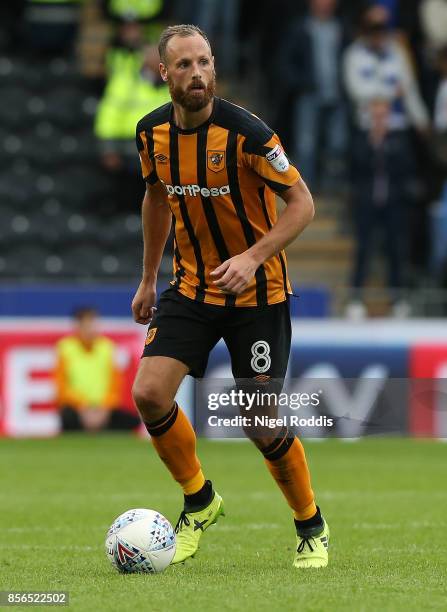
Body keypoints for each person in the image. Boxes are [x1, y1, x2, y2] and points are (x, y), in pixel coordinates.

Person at [131, 24, 329, 569]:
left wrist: (251, 257)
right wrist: (149, 278)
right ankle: (200, 499)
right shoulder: (151, 134)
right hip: (192, 287)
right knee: (149, 394)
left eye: (204, 62)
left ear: (213, 66)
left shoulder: (247, 133)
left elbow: (303, 205)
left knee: (259, 420)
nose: (197, 74)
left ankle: (311, 525)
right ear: (165, 73)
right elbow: (155, 199)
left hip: (257, 293)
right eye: (185, 65)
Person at [343, 4, 430, 317]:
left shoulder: (398, 54)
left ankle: (398, 299)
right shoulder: (355, 54)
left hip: (396, 135)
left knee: (397, 237)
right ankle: (354, 298)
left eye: (383, 29)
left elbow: (409, 92)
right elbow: (357, 90)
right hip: (367, 133)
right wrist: (387, 95)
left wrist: (421, 120)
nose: (380, 35)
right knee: (364, 239)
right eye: (374, 29)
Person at [279, 0, 349, 190]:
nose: (324, 4)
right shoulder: (301, 28)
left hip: (337, 95)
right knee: (306, 145)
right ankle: (303, 192)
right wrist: (302, 83)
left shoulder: (341, 28)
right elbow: (286, 61)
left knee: (337, 145)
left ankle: (331, 192)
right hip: (309, 95)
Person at [55, 307, 140, 432]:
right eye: (87, 325)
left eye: (93, 324)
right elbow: (62, 387)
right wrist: (82, 408)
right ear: (77, 326)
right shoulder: (66, 348)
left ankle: (99, 429)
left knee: (133, 420)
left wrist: (105, 409)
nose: (91, 329)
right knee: (67, 417)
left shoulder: (107, 347)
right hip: (78, 409)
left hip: (104, 409)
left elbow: (115, 384)